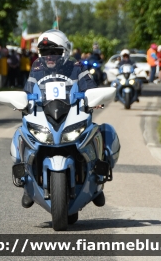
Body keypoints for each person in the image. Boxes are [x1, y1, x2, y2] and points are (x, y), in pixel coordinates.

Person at [19, 29, 104, 208]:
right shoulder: (36, 69)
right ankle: (27, 184)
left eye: (55, 52)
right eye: (45, 53)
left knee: (102, 132)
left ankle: (98, 179)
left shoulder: (77, 67)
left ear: (64, 52)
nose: (50, 57)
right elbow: (28, 92)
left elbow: (89, 86)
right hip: (46, 115)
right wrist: (22, 102)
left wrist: (96, 98)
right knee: (20, 135)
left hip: (73, 114)